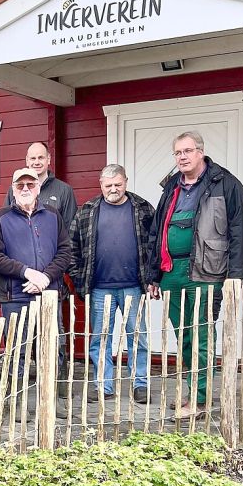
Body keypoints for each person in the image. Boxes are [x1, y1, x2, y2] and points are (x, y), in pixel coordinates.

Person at [147, 131, 243, 418]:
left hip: (207, 271)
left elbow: (238, 231)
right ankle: (189, 393)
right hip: (172, 272)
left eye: (188, 151)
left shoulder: (225, 184)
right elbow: (157, 232)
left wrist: (235, 274)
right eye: (178, 153)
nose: (182, 157)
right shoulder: (171, 188)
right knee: (183, 336)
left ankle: (200, 400)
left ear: (200, 152)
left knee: (201, 334)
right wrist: (154, 275)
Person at [69, 165, 155, 404]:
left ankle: (140, 384)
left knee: (137, 337)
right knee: (100, 339)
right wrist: (79, 280)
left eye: (118, 184)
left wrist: (151, 277)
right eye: (108, 186)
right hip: (99, 288)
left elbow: (155, 245)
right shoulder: (87, 211)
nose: (113, 189)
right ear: (101, 185)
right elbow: (72, 248)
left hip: (133, 286)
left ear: (126, 182)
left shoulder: (143, 209)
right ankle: (102, 386)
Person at [0, 167, 72, 415]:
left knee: (53, 348)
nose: (25, 189)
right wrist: (27, 272)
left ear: (38, 188)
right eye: (20, 185)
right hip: (15, 295)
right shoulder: (0, 218)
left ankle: (51, 401)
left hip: (48, 293)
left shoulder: (53, 216)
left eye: (30, 185)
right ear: (13, 189)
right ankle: (17, 403)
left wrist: (45, 277)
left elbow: (65, 252)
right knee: (18, 351)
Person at [2, 142, 78, 227]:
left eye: (41, 158)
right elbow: (5, 222)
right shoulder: (15, 190)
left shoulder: (64, 190)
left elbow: (70, 229)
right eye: (33, 158)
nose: (37, 162)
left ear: (48, 159)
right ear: (27, 161)